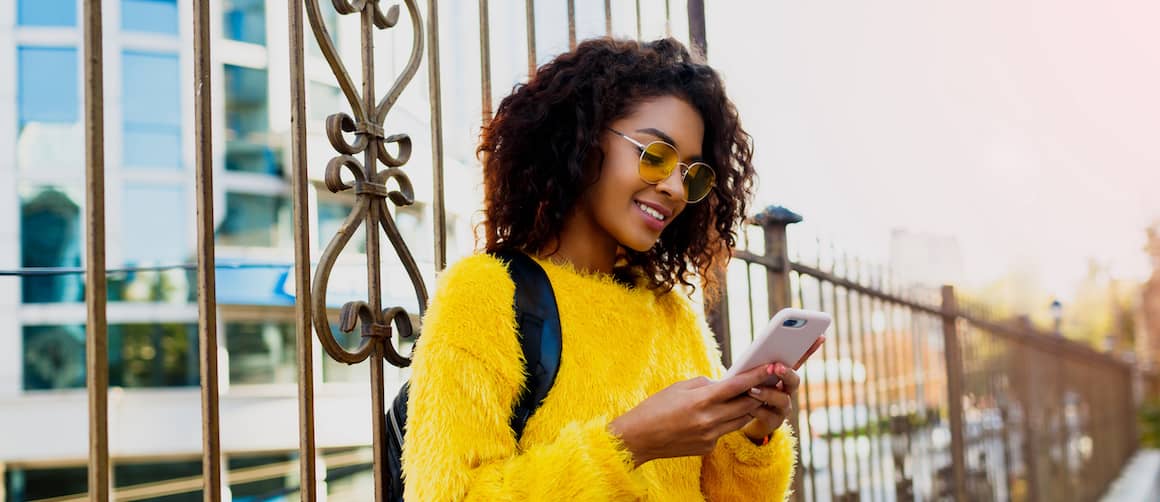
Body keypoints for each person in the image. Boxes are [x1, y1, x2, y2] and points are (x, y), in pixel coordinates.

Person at [402, 37, 820, 501]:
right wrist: (628, 445)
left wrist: (755, 434)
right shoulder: (485, 292)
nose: (676, 188)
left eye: (693, 173)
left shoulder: (671, 315)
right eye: (655, 155)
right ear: (581, 138)